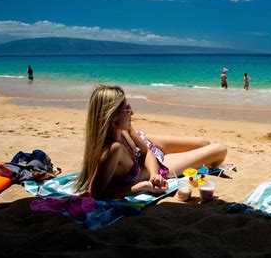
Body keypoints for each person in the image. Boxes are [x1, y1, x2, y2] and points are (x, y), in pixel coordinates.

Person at [74, 85, 227, 199]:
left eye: (129, 107)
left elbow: (147, 151)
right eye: (127, 110)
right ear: (113, 121)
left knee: (204, 142)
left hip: (149, 148)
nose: (132, 113)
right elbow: (95, 193)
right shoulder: (114, 149)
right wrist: (141, 186)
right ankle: (209, 164)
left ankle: (205, 161)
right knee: (219, 149)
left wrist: (153, 174)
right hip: (161, 163)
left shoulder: (124, 129)